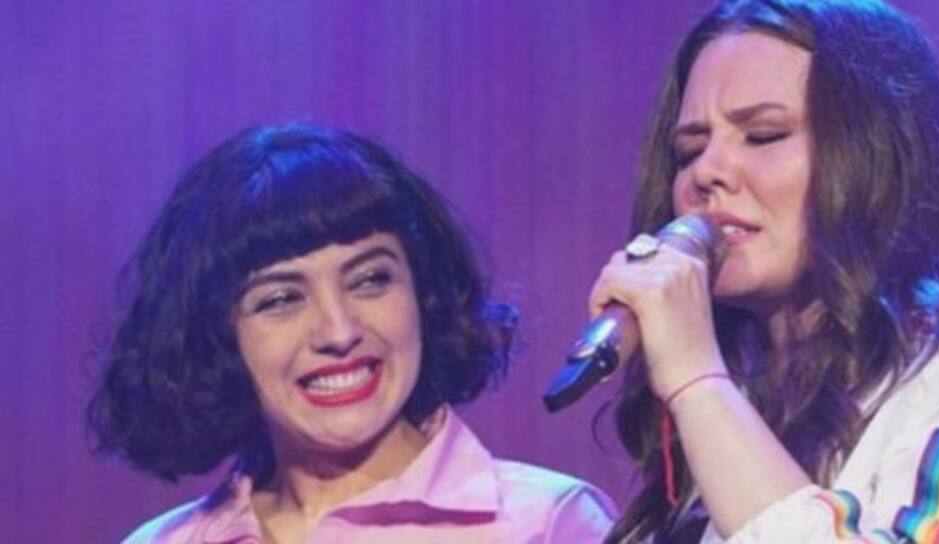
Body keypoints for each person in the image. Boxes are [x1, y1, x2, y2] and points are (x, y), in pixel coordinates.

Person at [590, 1, 939, 542]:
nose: (707, 171)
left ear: (875, 157)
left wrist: (698, 382)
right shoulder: (740, 410)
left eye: (764, 135)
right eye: (689, 150)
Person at [87, 122, 615, 543]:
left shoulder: (549, 524)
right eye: (281, 299)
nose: (339, 332)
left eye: (369, 280)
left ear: (422, 292)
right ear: (219, 338)